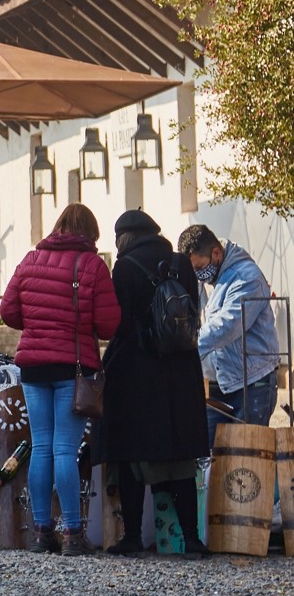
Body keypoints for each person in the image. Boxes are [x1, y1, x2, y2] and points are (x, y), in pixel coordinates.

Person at [0, 203, 121, 556]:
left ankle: (41, 532)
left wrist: (38, 326)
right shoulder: (94, 266)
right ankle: (72, 533)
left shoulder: (30, 260)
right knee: (65, 450)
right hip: (73, 367)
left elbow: (8, 311)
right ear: (90, 234)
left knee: (41, 447)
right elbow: (110, 325)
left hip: (34, 368)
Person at [92, 211, 209, 558]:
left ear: (125, 238)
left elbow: (119, 324)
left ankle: (131, 537)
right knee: (180, 455)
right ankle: (191, 538)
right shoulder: (179, 263)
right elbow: (193, 312)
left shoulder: (124, 268)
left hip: (138, 373)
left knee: (132, 455)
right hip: (181, 371)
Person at [176, 223, 281, 447]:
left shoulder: (247, 277)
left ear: (216, 253)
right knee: (213, 459)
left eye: (200, 267)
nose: (198, 274)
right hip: (218, 384)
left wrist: (188, 348)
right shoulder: (202, 279)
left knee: (250, 460)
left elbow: (227, 326)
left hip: (251, 382)